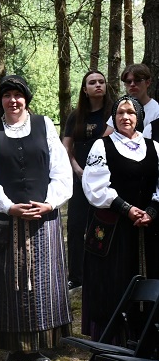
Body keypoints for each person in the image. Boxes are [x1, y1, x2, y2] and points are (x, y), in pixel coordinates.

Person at [0, 74, 72, 361]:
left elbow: (61, 170)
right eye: (7, 95)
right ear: (1, 100)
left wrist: (50, 202)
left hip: (44, 217)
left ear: (26, 99)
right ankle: (15, 348)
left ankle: (43, 344)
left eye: (18, 95)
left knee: (44, 281)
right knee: (9, 282)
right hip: (7, 221)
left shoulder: (44, 125)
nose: (13, 101)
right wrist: (7, 206)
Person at [81, 95, 159, 340]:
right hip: (114, 226)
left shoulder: (154, 146)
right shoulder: (102, 146)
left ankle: (148, 334)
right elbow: (95, 187)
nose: (126, 117)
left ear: (139, 117)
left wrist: (152, 212)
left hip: (148, 226)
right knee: (115, 278)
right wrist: (127, 209)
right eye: (120, 113)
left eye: (131, 113)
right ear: (114, 118)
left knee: (150, 276)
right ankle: (116, 336)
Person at [62, 71, 114, 289]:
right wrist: (76, 169)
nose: (97, 85)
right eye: (92, 82)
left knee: (102, 224)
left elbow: (110, 142)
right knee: (75, 226)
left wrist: (93, 173)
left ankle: (103, 272)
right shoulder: (76, 116)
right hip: (79, 178)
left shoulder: (113, 113)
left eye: (101, 81)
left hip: (106, 179)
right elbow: (66, 147)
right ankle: (76, 276)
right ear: (85, 89)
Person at [111, 64, 159, 137]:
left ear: (148, 82)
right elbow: (107, 135)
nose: (132, 84)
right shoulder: (120, 108)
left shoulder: (156, 110)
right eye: (128, 81)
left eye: (137, 80)